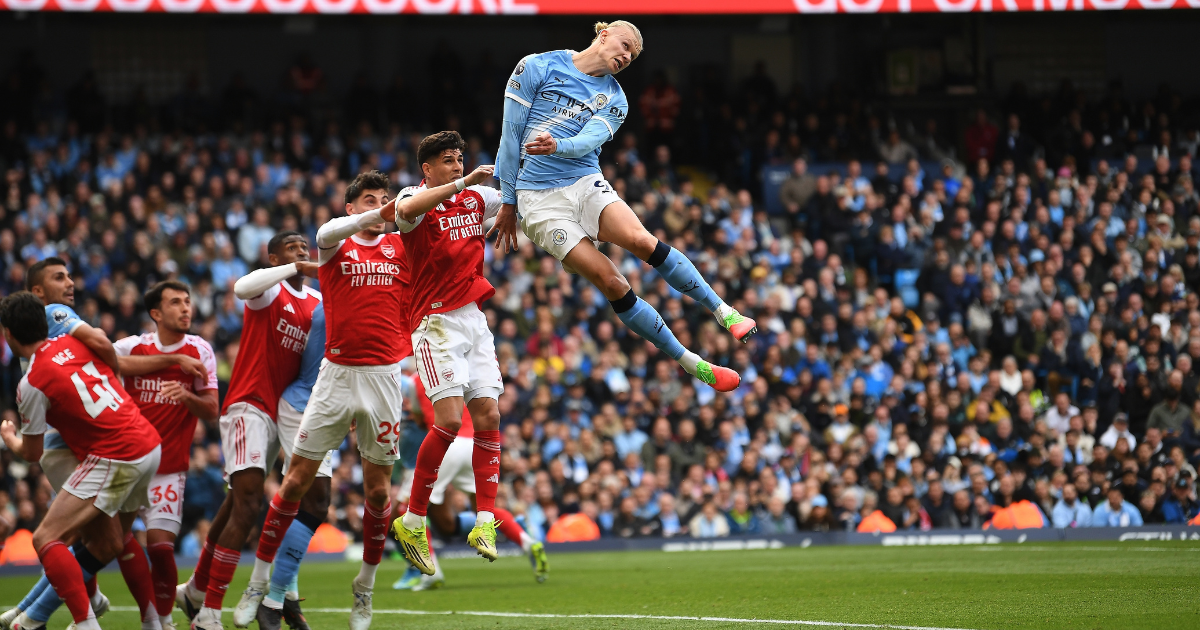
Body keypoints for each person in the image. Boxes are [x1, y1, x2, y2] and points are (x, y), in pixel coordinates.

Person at [490, 20, 748, 393]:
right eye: (625, 45)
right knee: (612, 282)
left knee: (641, 240)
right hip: (538, 199)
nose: (626, 56)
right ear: (604, 33)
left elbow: (584, 141)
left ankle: (725, 311)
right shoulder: (535, 67)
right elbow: (510, 137)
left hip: (583, 181)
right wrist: (509, 202)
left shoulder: (616, 99)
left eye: (633, 55)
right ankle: (691, 362)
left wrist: (558, 146)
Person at [2, 260, 209, 630]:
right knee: (108, 539)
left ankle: (67, 617)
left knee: (60, 538)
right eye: (59, 277)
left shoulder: (34, 374)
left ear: (8, 334)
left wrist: (8, 437)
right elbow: (106, 351)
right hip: (143, 443)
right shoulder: (70, 337)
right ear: (37, 295)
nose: (70, 283)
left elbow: (30, 452)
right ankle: (140, 619)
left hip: (97, 449)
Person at [247, 171, 410, 630]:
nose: (381, 207)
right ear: (352, 207)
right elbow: (323, 237)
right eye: (369, 200)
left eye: (386, 199)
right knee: (299, 487)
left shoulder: (401, 247)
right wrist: (377, 214)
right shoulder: (336, 246)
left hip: (381, 379)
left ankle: (364, 588)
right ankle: (263, 586)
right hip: (330, 382)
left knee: (377, 492)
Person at [387, 131, 548, 583]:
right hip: (434, 323)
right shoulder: (413, 198)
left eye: (460, 160)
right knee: (449, 420)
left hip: (473, 319)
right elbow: (402, 213)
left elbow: (518, 194)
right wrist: (465, 183)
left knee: (490, 415)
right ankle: (413, 520)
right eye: (447, 161)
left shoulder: (477, 198)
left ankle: (483, 522)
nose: (458, 166)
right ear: (427, 169)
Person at [178, 232, 322, 630]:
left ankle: (194, 591)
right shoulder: (269, 290)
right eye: (291, 248)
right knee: (248, 503)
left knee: (238, 503)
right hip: (248, 405)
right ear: (273, 256)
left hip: (286, 414)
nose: (302, 252)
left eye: (304, 248)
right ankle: (208, 613)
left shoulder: (317, 304)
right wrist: (292, 268)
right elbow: (242, 287)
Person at [113, 281, 220, 630]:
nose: (186, 308)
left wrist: (186, 397)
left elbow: (211, 411)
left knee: (160, 550)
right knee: (106, 544)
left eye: (188, 301)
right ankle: (131, 616)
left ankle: (163, 622)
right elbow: (105, 360)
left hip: (169, 468)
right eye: (176, 302)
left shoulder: (201, 350)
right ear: (156, 314)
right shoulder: (132, 346)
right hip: (127, 466)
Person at [236, 302, 331, 630]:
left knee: (307, 501)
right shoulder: (332, 303)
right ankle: (265, 592)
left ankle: (284, 597)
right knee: (314, 500)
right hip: (306, 405)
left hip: (328, 407)